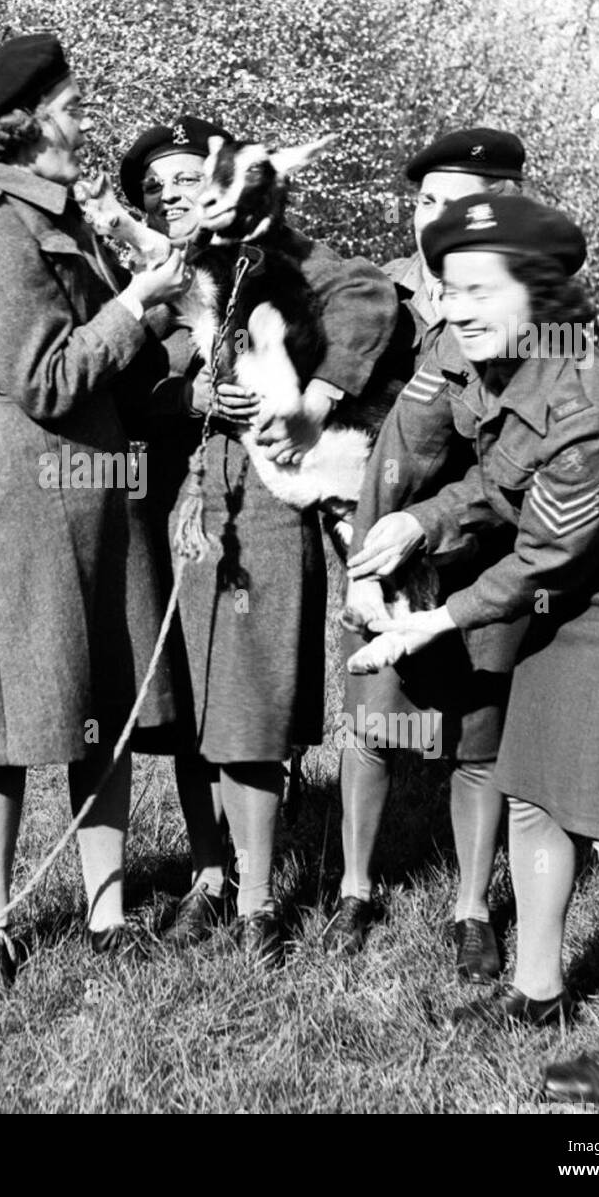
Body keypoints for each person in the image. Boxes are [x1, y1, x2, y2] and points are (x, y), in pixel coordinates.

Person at [352, 193, 599, 1106]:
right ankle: (538, 987)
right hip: (567, 595)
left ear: (543, 293)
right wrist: (415, 521)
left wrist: (433, 621)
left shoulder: (592, 399)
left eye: (482, 288)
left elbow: (548, 551)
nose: (456, 307)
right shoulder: (504, 373)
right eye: (448, 288)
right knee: (532, 790)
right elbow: (492, 483)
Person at [0, 34, 188, 985]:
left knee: (100, 694)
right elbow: (46, 375)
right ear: (26, 126)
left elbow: (109, 359)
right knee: (1, 708)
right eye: (71, 107)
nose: (84, 122)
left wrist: (171, 314)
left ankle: (109, 917)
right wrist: (136, 308)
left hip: (96, 482)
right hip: (24, 484)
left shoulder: (63, 217)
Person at [118, 115, 400, 965]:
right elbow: (112, 382)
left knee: (250, 698)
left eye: (187, 182)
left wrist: (312, 396)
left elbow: (369, 297)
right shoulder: (138, 274)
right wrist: (188, 400)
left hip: (267, 507)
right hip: (171, 504)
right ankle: (208, 874)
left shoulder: (271, 254)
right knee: (187, 701)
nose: (174, 198)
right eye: (156, 189)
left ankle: (258, 898)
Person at [325, 128, 528, 979]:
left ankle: (472, 907)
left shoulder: (526, 302)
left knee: (477, 733)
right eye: (423, 203)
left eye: (455, 203)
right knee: (374, 718)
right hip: (375, 543)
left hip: (482, 545)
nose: (431, 219)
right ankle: (355, 888)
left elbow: (530, 449)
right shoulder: (385, 298)